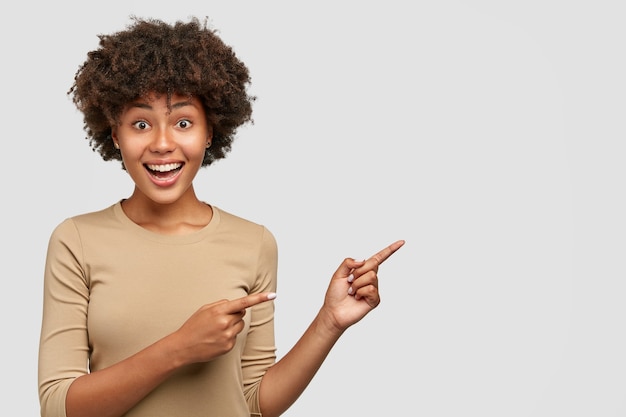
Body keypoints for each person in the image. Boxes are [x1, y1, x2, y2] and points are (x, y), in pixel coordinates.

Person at [37, 16, 405, 417]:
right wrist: (179, 348)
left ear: (209, 132)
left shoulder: (254, 243)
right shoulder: (76, 240)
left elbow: (253, 402)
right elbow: (58, 406)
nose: (162, 144)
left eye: (183, 122)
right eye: (141, 124)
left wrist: (329, 322)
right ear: (115, 134)